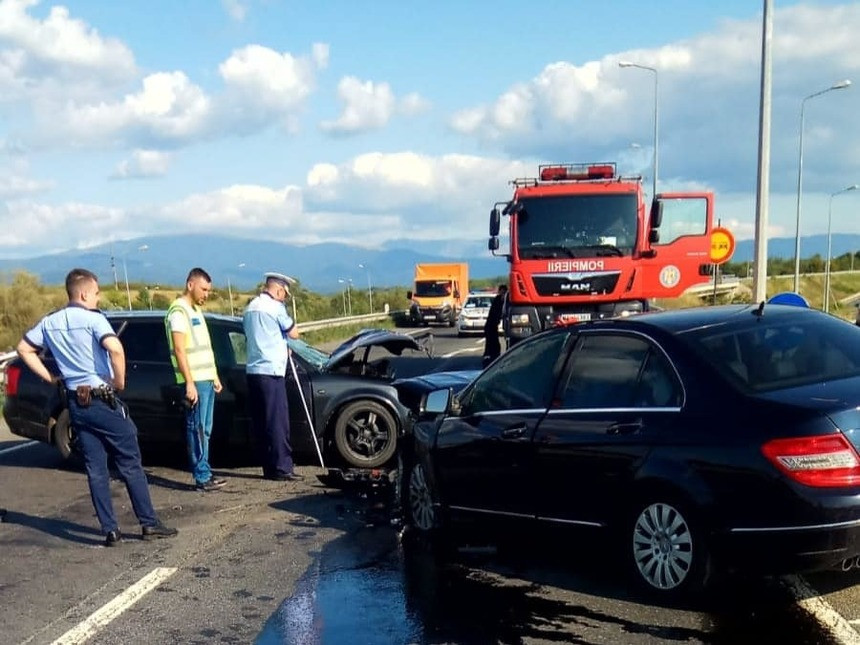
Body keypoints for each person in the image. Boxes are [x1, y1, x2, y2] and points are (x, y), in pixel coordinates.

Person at [16, 268, 177, 546]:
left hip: (76, 403)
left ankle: (109, 530)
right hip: (102, 398)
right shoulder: (92, 319)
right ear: (84, 293)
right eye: (97, 293)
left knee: (96, 468)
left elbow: (23, 349)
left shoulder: (50, 321)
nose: (99, 299)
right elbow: (114, 348)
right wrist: (119, 381)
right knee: (130, 463)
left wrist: (49, 377)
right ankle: (149, 523)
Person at [165, 267, 226, 492]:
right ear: (190, 285)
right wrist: (189, 382)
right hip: (194, 382)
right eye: (204, 289)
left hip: (206, 379)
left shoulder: (195, 310)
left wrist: (214, 375)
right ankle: (201, 476)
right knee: (197, 429)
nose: (206, 294)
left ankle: (205, 470)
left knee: (205, 429)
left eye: (209, 290)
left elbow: (204, 348)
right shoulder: (179, 312)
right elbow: (180, 350)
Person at [243, 272, 302, 482]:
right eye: (284, 294)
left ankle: (268, 467)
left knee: (262, 423)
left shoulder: (250, 308)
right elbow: (294, 332)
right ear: (278, 290)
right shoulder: (275, 308)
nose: (284, 298)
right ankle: (283, 467)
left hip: (254, 372)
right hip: (272, 372)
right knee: (278, 422)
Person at [482, 284, 508, 367]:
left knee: (493, 342)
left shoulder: (502, 300)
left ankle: (491, 357)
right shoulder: (497, 300)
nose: (502, 295)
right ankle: (489, 358)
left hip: (493, 326)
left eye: (504, 293)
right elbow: (497, 313)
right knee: (491, 342)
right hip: (490, 325)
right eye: (502, 292)